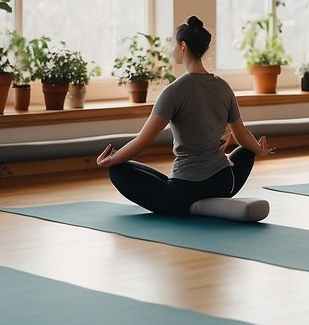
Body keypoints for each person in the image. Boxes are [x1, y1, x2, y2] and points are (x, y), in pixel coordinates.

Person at [96, 16, 274, 221]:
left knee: (118, 170)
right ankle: (205, 197)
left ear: (183, 46)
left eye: (173, 44)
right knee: (246, 151)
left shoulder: (173, 91)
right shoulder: (223, 87)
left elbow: (143, 140)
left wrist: (110, 160)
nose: (171, 49)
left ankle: (185, 203)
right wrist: (259, 150)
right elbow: (242, 135)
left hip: (186, 190)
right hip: (224, 183)